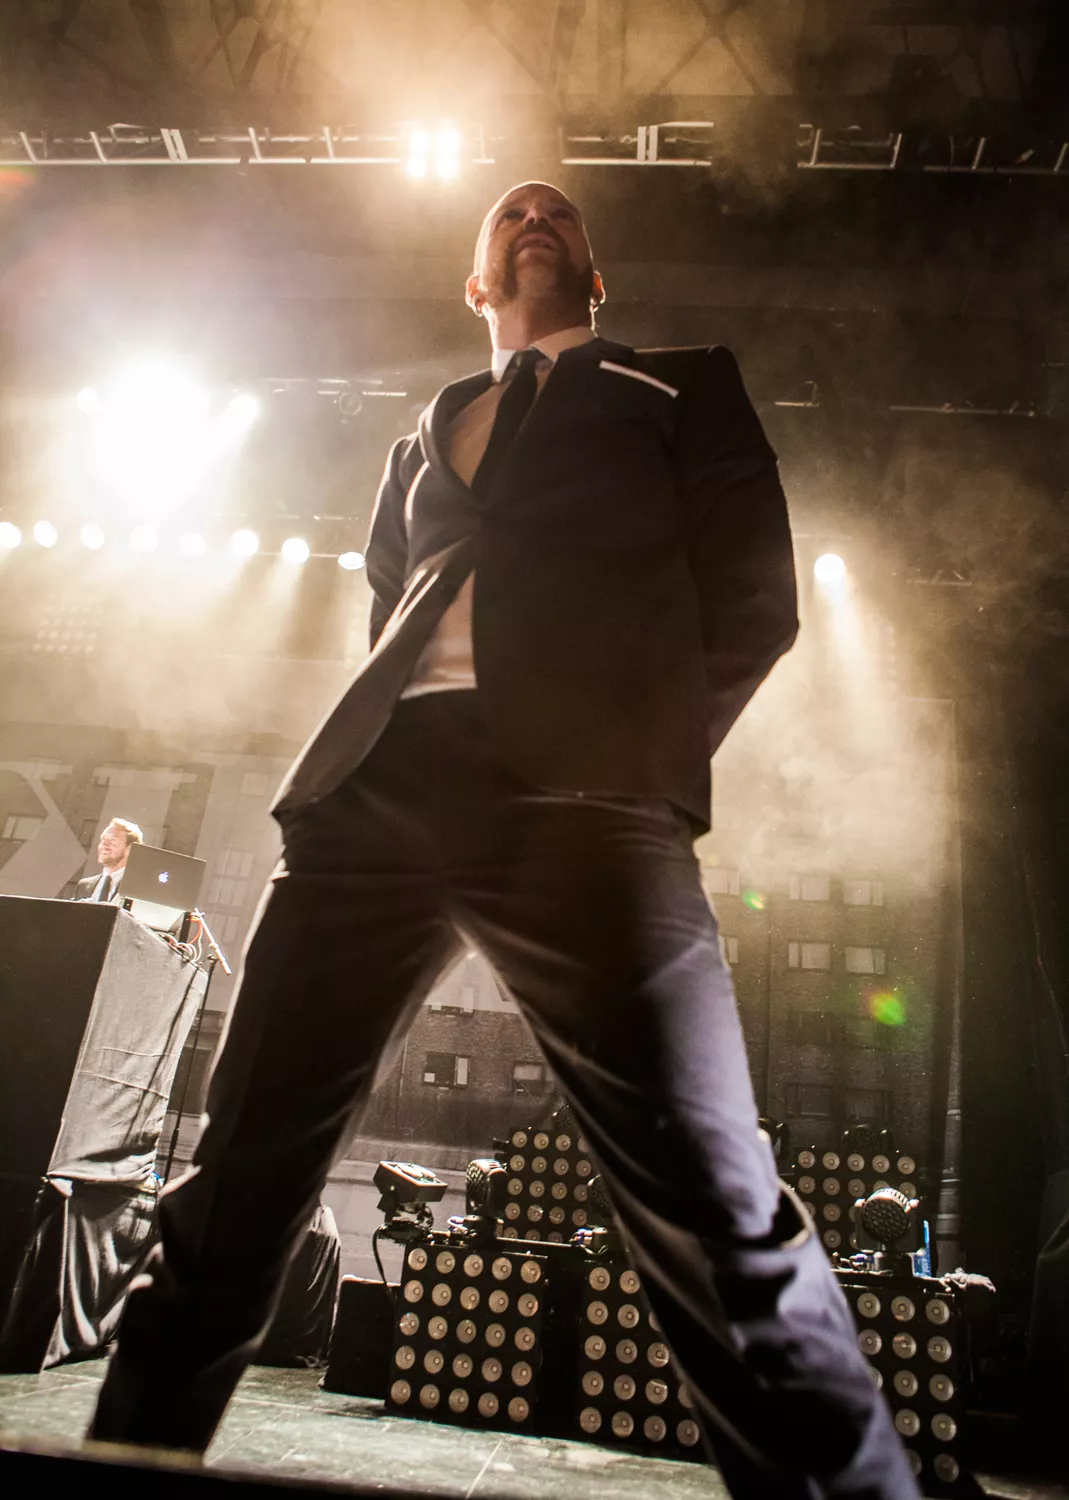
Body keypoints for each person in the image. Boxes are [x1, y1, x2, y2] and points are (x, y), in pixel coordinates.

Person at [89, 183, 919, 1497]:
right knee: (231, 1188)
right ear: (475, 284)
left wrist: (628, 759)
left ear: (596, 274)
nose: (535, 212)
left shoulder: (680, 384)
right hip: (377, 800)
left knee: (714, 1211)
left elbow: (756, 599)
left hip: (589, 807)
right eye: (509, 213)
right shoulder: (423, 433)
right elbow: (389, 604)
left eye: (560, 211)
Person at [73, 818, 144, 903]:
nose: (104, 845)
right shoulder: (84, 886)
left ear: (129, 849)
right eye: (103, 840)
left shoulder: (138, 889)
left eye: (112, 841)